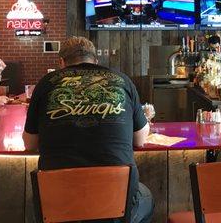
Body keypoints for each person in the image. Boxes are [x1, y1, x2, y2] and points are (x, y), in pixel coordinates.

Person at [22, 36, 153, 223]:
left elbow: (29, 143)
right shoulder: (122, 81)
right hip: (115, 203)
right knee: (146, 196)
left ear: (62, 63)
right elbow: (140, 140)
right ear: (96, 61)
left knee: (33, 203)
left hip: (59, 204)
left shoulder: (46, 83)